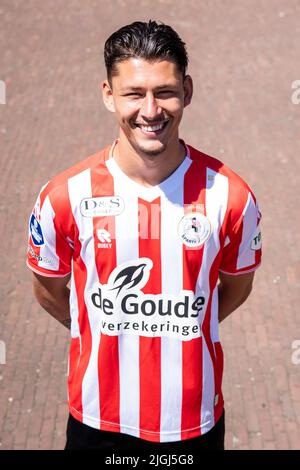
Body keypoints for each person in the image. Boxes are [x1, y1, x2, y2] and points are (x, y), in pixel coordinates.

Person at [27, 20, 262, 453]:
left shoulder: (232, 197)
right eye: (134, 93)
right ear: (108, 94)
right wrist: (97, 328)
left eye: (165, 92)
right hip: (97, 422)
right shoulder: (63, 196)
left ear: (187, 91)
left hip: (193, 424)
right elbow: (48, 288)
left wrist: (181, 329)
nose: (150, 110)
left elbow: (236, 287)